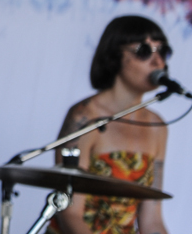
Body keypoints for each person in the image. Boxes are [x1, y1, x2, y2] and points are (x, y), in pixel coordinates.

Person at [47, 15, 171, 234]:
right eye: (144, 51)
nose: (157, 62)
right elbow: (70, 213)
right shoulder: (85, 116)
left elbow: (152, 219)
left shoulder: (157, 126)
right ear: (114, 55)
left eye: (162, 51)